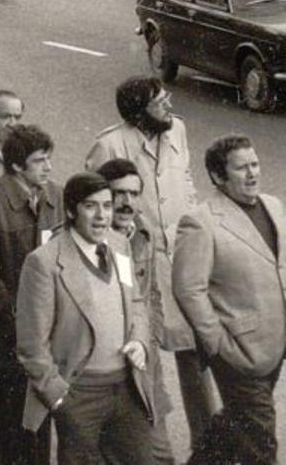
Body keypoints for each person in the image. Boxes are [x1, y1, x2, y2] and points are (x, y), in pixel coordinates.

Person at [85, 76, 213, 451]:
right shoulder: (109, 144)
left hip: (180, 257)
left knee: (195, 349)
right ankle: (146, 441)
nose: (169, 105)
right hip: (137, 259)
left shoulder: (179, 131)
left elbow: (186, 182)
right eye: (160, 100)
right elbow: (94, 201)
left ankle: (205, 445)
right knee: (143, 348)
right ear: (139, 111)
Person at [16, 171, 155, 465]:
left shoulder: (119, 244)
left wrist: (140, 341)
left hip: (126, 387)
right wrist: (59, 398)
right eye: (91, 206)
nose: (102, 215)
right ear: (70, 210)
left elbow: (137, 302)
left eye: (107, 206)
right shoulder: (43, 263)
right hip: (79, 394)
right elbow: (31, 346)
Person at [173, 135, 285, 465]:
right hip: (238, 350)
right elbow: (187, 288)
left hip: (274, 343)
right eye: (241, 168)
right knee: (259, 437)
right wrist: (217, 343)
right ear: (218, 177)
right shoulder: (201, 222)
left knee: (237, 422)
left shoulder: (274, 206)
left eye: (255, 164)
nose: (252, 174)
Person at [0, 124, 63, 465]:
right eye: (39, 161)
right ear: (17, 165)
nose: (48, 167)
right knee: (18, 431)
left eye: (49, 159)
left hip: (49, 334)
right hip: (8, 338)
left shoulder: (56, 197)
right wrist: (19, 315)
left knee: (45, 425)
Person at [98, 157, 176, 464]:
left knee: (160, 454)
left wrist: (151, 338)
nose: (127, 202)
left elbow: (152, 294)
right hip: (108, 366)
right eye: (119, 194)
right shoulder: (92, 238)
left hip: (144, 362)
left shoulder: (144, 233)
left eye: (133, 193)